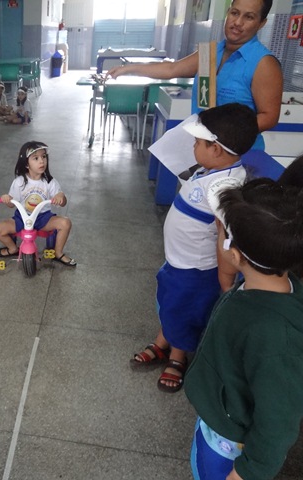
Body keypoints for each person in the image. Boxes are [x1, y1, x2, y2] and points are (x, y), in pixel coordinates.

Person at [129, 103, 259, 393]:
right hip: (179, 260)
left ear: (216, 149)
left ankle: (177, 357)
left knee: (184, 310)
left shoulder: (224, 188)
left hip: (195, 269)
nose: (193, 147)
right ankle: (163, 341)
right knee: (170, 302)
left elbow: (224, 238)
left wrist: (225, 280)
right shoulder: (211, 169)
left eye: (198, 143)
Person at [184, 177, 303, 480]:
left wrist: (247, 472)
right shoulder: (273, 284)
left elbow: (279, 420)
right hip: (221, 415)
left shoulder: (275, 336)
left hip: (229, 448)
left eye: (220, 231)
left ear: (234, 255)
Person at [107, 0, 282, 151]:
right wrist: (128, 69)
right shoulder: (210, 53)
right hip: (205, 150)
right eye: (234, 13)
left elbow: (269, 116)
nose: (237, 22)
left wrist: (227, 134)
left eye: (249, 17)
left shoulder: (263, 63)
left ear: (261, 23)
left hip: (240, 155)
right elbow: (172, 69)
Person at [0, 141, 76, 267]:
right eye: (36, 158)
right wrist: (7, 199)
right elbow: (12, 204)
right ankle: (13, 248)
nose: (41, 161)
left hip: (43, 218)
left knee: (65, 223)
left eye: (44, 157)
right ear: (26, 163)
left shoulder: (49, 182)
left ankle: (58, 253)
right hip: (22, 218)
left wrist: (61, 196)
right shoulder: (19, 181)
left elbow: (62, 203)